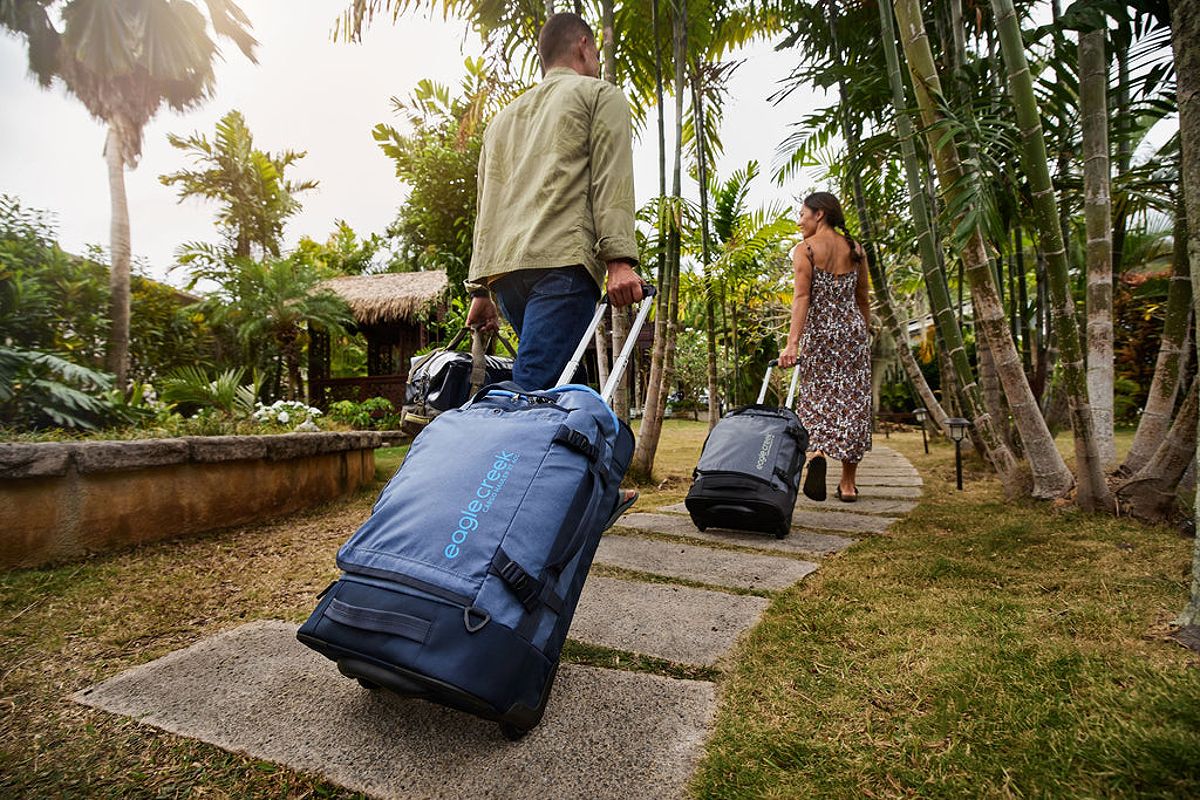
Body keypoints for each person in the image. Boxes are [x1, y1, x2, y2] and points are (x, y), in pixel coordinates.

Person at [464, 12, 644, 391]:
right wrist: (620, 261)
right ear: (584, 45)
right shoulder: (599, 94)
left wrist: (481, 291)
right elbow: (611, 178)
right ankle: (507, 451)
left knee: (564, 387)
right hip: (562, 267)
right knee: (532, 391)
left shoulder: (502, 121)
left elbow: (488, 207)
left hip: (507, 277)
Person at [778, 192, 872, 502]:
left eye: (803, 214)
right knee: (853, 403)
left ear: (820, 214)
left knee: (816, 397)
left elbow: (802, 298)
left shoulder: (804, 250)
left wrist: (792, 344)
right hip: (853, 335)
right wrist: (864, 333)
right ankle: (848, 484)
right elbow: (862, 298)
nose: (799, 220)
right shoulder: (856, 249)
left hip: (821, 337)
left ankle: (816, 452)